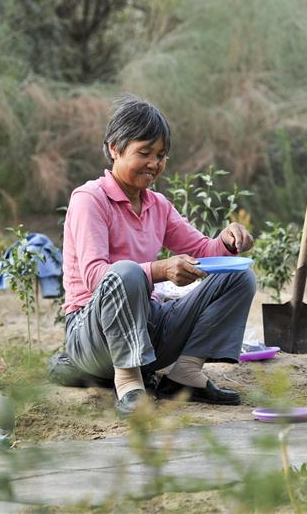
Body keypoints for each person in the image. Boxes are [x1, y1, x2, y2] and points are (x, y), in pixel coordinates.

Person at [61, 95, 256, 417]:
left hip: (146, 329)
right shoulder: (90, 200)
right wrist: (159, 270)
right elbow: (97, 277)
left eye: (161, 155)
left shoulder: (157, 205)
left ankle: (185, 375)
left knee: (238, 275)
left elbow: (205, 251)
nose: (154, 164)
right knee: (124, 272)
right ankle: (128, 380)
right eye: (145, 153)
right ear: (114, 148)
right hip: (91, 335)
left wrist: (228, 241)